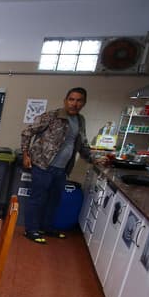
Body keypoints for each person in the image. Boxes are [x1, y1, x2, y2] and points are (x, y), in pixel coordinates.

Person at [20, 87, 92, 244]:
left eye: (79, 100)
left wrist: (95, 159)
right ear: (65, 100)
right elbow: (27, 132)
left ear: (84, 103)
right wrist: (25, 155)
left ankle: (46, 227)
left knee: (54, 200)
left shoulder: (80, 121)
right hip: (43, 165)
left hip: (62, 169)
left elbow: (82, 144)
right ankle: (31, 230)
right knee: (37, 199)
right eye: (71, 99)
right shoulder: (51, 116)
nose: (75, 103)